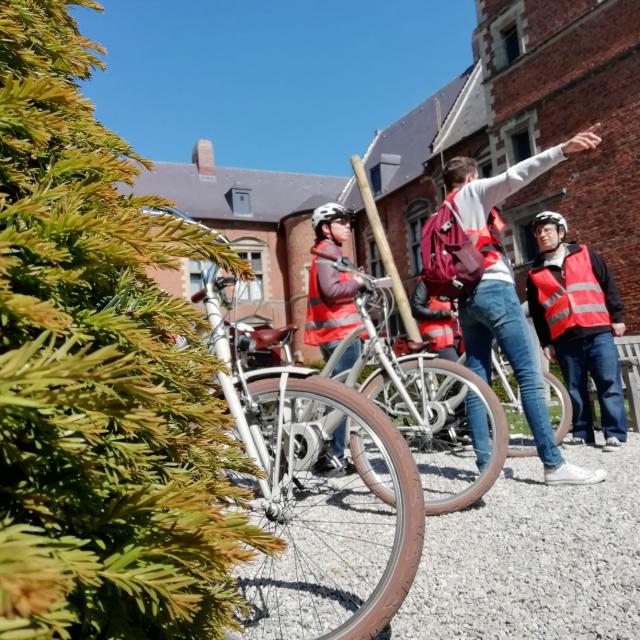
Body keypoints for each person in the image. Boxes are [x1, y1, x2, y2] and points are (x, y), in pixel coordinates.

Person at [441, 124, 606, 485]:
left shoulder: (443, 212)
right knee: (529, 375)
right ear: (471, 176)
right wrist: (563, 148)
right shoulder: (472, 194)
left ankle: (486, 467)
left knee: (477, 379)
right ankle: (553, 464)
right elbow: (517, 174)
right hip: (495, 288)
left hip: (466, 300)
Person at [526, 211, 627, 451]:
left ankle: (614, 434)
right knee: (574, 387)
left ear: (561, 232)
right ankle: (582, 432)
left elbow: (608, 284)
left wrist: (618, 317)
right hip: (565, 337)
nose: (542, 235)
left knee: (609, 383)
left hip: (597, 329)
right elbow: (538, 313)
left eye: (547, 230)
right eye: (538, 232)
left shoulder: (584, 253)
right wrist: (546, 342)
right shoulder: (535, 272)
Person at [304, 202, 363, 475]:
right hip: (341, 333)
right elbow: (331, 289)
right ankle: (335, 456)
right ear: (326, 228)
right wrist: (359, 284)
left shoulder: (329, 252)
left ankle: (330, 454)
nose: (348, 226)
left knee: (336, 394)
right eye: (342, 222)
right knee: (341, 396)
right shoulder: (328, 250)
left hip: (335, 332)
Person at [410, 277, 459, 361]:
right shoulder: (427, 281)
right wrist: (447, 314)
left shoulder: (450, 281)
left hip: (456, 341)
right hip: (440, 343)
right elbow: (417, 310)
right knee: (460, 371)